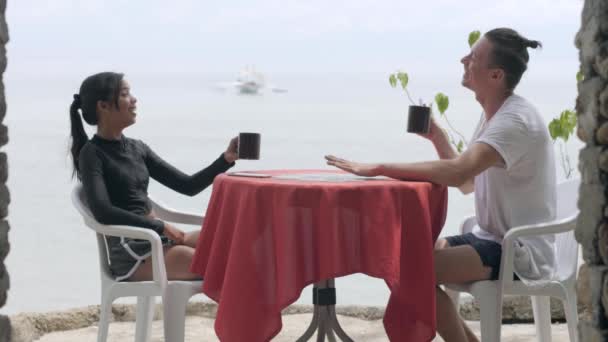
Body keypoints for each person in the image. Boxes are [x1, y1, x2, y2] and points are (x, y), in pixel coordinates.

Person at [326, 28, 556, 342]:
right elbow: (468, 182)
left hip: (519, 250)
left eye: (473, 57)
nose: (464, 60)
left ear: (496, 75)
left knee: (408, 271)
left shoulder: (513, 121)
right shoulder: (495, 114)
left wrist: (377, 168)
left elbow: (459, 174)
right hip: (492, 239)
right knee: (402, 258)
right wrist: (438, 138)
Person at [70, 72, 237, 282]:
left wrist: (226, 159)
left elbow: (188, 186)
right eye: (125, 94)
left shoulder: (137, 148)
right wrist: (160, 226)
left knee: (231, 242)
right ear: (103, 106)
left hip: (158, 238)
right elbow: (103, 212)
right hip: (131, 250)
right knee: (214, 265)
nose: (134, 99)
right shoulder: (92, 154)